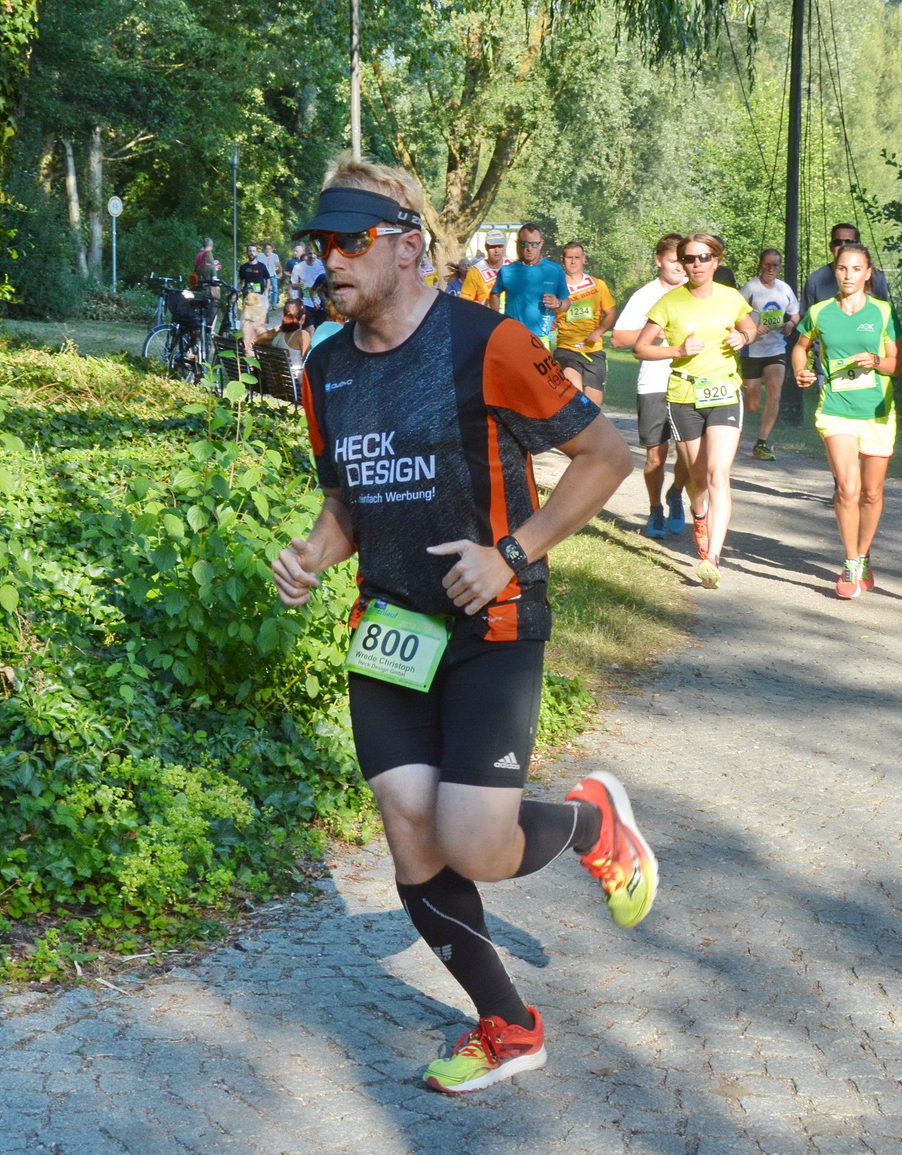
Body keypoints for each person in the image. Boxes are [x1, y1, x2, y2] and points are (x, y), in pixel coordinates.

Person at [273, 159, 651, 1095]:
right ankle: (509, 1025)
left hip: (494, 621)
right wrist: (315, 553)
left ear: (408, 245)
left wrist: (513, 552)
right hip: (392, 630)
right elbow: (346, 504)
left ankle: (591, 820)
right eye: (319, 245)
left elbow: (607, 455)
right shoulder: (323, 369)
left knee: (474, 839)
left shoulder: (488, 343)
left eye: (349, 241)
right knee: (412, 833)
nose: (330, 261)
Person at [632, 233, 757, 588]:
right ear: (682, 263)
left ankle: (712, 558)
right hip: (684, 394)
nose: (697, 264)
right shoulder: (670, 302)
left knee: (719, 472)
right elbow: (641, 348)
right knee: (698, 478)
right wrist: (677, 350)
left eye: (704, 257)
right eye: (689, 259)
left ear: (716, 260)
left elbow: (750, 327)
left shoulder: (732, 298)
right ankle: (698, 515)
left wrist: (743, 339)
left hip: (724, 392)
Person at [790, 241, 900, 599]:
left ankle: (865, 555)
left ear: (868, 274)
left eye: (856, 269)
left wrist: (876, 360)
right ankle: (851, 560)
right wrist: (801, 371)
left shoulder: (883, 312)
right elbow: (800, 346)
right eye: (842, 268)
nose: (848, 275)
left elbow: (896, 364)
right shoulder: (821, 311)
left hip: (877, 412)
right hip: (836, 409)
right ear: (834, 271)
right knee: (848, 488)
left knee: (871, 493)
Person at [612, 233, 692, 539]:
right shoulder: (645, 296)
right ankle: (656, 509)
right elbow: (619, 339)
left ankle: (676, 491)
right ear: (659, 261)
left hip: (689, 381)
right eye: (673, 261)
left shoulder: (695, 294)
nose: (680, 268)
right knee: (655, 456)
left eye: (683, 261)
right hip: (654, 382)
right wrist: (654, 333)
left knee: (690, 455)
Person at [738, 249, 799, 462]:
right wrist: (753, 327)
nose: (771, 269)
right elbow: (736, 315)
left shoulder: (785, 289)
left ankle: (761, 443)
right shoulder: (749, 288)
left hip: (776, 349)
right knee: (752, 403)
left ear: (780, 267)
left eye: (776, 265)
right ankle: (731, 423)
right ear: (760, 265)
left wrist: (791, 324)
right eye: (767, 265)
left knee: (775, 392)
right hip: (752, 349)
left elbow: (795, 313)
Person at [553, 241, 617, 408]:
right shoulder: (556, 287)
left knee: (593, 406)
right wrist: (551, 323)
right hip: (567, 349)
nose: (573, 261)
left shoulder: (598, 285)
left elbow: (611, 314)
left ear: (584, 259)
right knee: (574, 398)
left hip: (592, 351)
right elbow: (547, 316)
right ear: (563, 259)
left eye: (577, 257)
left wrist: (598, 332)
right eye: (569, 258)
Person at [490, 224, 568, 345]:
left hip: (541, 340)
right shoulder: (507, 271)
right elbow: (494, 294)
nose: (529, 248)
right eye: (525, 244)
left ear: (541, 244)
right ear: (518, 244)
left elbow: (567, 303)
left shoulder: (554, 270)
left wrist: (558, 303)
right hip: (513, 338)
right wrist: (497, 318)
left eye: (534, 244)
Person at [800, 223, 891, 315]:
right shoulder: (815, 280)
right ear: (831, 246)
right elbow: (806, 318)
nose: (843, 246)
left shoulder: (876, 277)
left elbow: (883, 311)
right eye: (837, 242)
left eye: (849, 242)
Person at [257, 298, 312, 376]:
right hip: (295, 383)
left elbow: (257, 340)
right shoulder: (302, 335)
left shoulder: (277, 333)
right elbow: (307, 361)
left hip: (276, 379)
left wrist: (274, 330)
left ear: (283, 316)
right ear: (303, 318)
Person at [237, 245, 272, 349]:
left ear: (257, 253)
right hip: (248, 299)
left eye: (253, 251)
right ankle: (246, 340)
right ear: (247, 253)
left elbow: (268, 279)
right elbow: (241, 282)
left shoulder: (262, 266)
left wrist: (266, 290)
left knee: (260, 320)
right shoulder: (243, 267)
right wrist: (236, 291)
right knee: (247, 320)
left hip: (259, 298)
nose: (251, 253)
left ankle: (261, 339)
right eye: (249, 251)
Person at [459, 231, 508, 303]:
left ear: (504, 247)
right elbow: (464, 300)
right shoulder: (475, 271)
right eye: (493, 246)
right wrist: (479, 305)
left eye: (500, 246)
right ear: (486, 247)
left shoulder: (513, 265)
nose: (496, 250)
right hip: (487, 313)